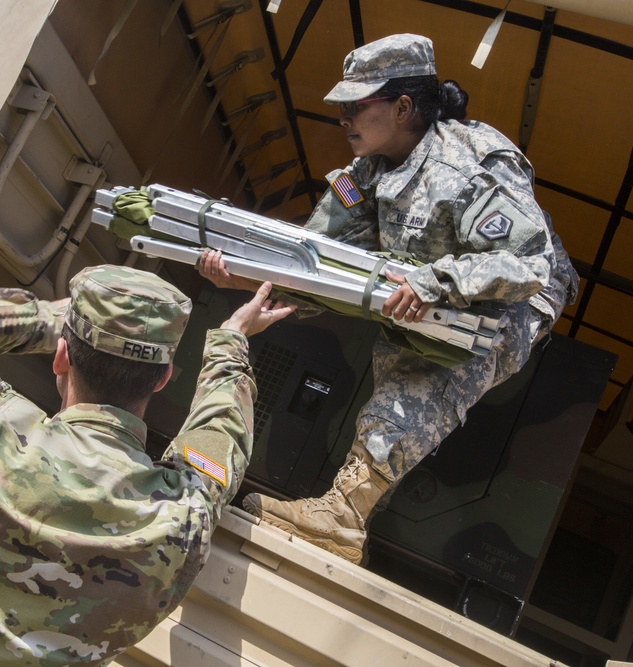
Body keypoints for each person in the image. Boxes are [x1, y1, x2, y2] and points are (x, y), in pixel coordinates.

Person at [200, 33, 578, 565]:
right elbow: (318, 257)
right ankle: (343, 516)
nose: (343, 120)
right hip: (427, 281)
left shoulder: (468, 165)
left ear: (403, 107)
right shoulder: (365, 175)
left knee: (425, 366)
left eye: (356, 106)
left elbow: (528, 264)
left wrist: (432, 284)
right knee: (402, 348)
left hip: (511, 300)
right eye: (340, 110)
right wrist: (249, 275)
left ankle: (342, 518)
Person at [0, 265, 294, 666]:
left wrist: (61, 321)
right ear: (164, 378)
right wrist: (231, 339)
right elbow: (220, 438)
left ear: (62, 356)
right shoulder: (180, 514)